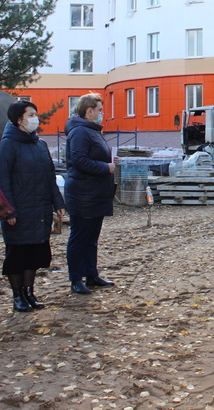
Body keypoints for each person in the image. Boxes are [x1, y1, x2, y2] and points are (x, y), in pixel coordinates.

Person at [0, 101, 66, 312]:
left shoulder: (40, 144)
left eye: (36, 113)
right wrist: (9, 210)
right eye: (32, 114)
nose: (36, 118)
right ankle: (18, 296)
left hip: (40, 210)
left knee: (34, 255)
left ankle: (29, 292)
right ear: (19, 119)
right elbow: (3, 182)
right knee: (17, 255)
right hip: (19, 211)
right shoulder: (7, 145)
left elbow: (49, 177)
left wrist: (58, 202)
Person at [65, 93, 118, 294]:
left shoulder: (92, 131)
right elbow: (79, 161)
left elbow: (93, 156)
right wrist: (106, 168)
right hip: (83, 194)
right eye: (99, 110)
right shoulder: (80, 132)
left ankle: (91, 275)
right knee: (80, 237)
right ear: (88, 111)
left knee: (92, 237)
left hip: (95, 193)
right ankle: (76, 279)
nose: (101, 114)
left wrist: (111, 162)